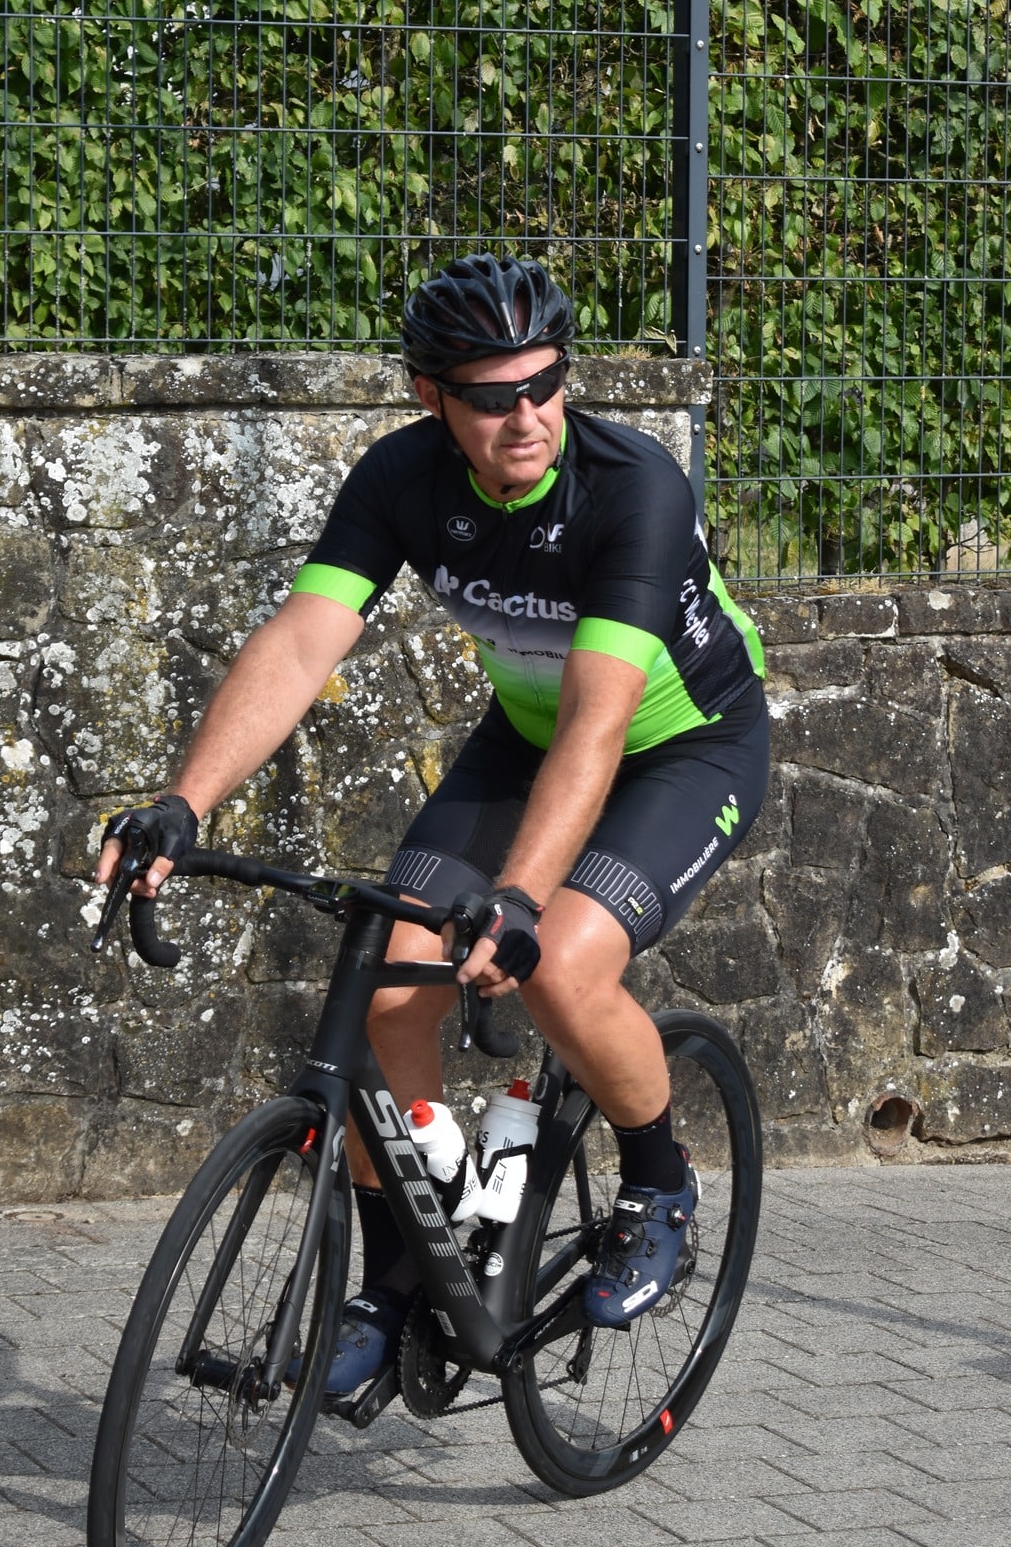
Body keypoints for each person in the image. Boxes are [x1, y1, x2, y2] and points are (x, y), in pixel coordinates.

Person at [96, 253, 769, 1396]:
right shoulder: (403, 477)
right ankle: (397, 1275)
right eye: (494, 396)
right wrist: (182, 800)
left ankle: (660, 1182)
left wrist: (518, 899)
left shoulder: (634, 489)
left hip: (683, 742)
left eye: (547, 383)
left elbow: (599, 724)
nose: (529, 415)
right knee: (387, 987)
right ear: (430, 395)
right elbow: (301, 641)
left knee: (561, 965)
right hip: (526, 737)